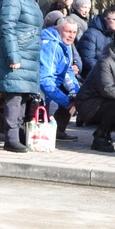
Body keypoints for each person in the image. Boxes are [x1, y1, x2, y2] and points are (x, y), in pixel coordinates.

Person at [0, 0, 47, 152]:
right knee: (14, 97)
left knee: (23, 97)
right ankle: (11, 138)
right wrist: (13, 56)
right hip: (18, 55)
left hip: (28, 56)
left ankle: (18, 134)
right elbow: (7, 26)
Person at [38, 13, 83, 141]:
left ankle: (57, 131)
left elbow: (66, 69)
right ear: (58, 29)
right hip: (39, 88)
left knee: (75, 97)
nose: (71, 35)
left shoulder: (65, 44)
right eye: (68, 31)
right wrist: (64, 101)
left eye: (74, 32)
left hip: (52, 85)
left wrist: (75, 91)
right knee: (30, 123)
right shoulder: (50, 45)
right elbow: (45, 79)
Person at [79, 6, 115, 82]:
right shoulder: (91, 34)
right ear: (105, 19)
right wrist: (108, 71)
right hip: (92, 78)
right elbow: (88, 60)